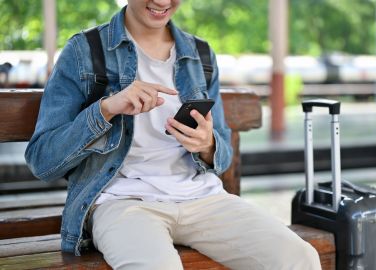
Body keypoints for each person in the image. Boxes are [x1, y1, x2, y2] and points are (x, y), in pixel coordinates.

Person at [25, 1, 321, 269]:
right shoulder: (84, 52)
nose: (162, 2)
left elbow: (223, 154)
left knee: (300, 258)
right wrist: (106, 109)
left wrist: (207, 145)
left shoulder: (199, 55)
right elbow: (42, 159)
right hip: (123, 203)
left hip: (202, 198)